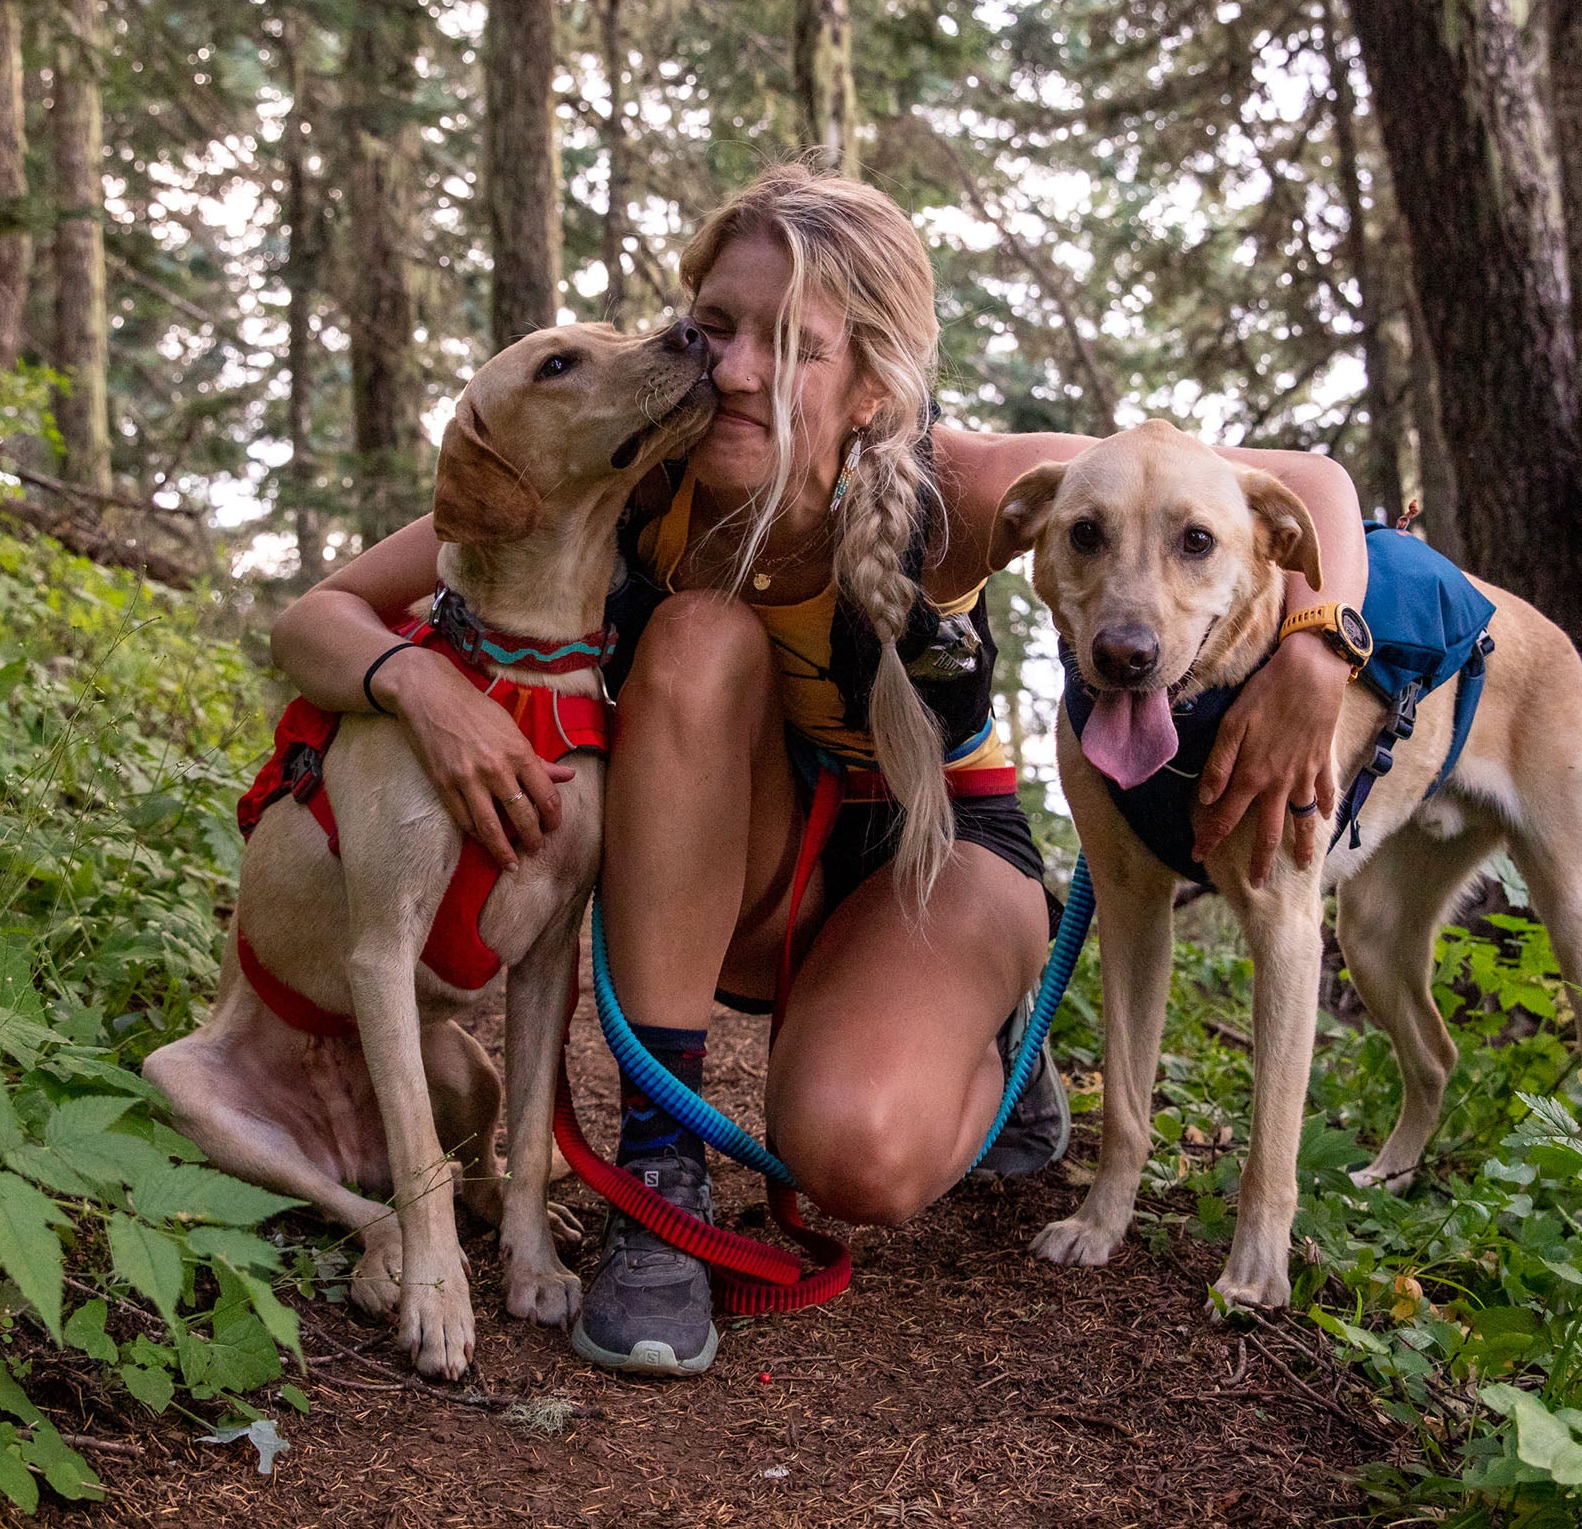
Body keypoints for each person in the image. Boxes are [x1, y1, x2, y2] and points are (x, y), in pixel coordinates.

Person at [270, 163, 1369, 1378]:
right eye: (715, 326)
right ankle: (662, 1176)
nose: (736, 369)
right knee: (695, 638)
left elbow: (1314, 485)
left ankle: (982, 1032)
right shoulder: (634, 467)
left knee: (859, 1156)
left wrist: (1321, 651)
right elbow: (316, 617)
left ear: (874, 383)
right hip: (756, 853)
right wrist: (420, 688)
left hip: (941, 852)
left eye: (794, 344)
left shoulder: (957, 486)